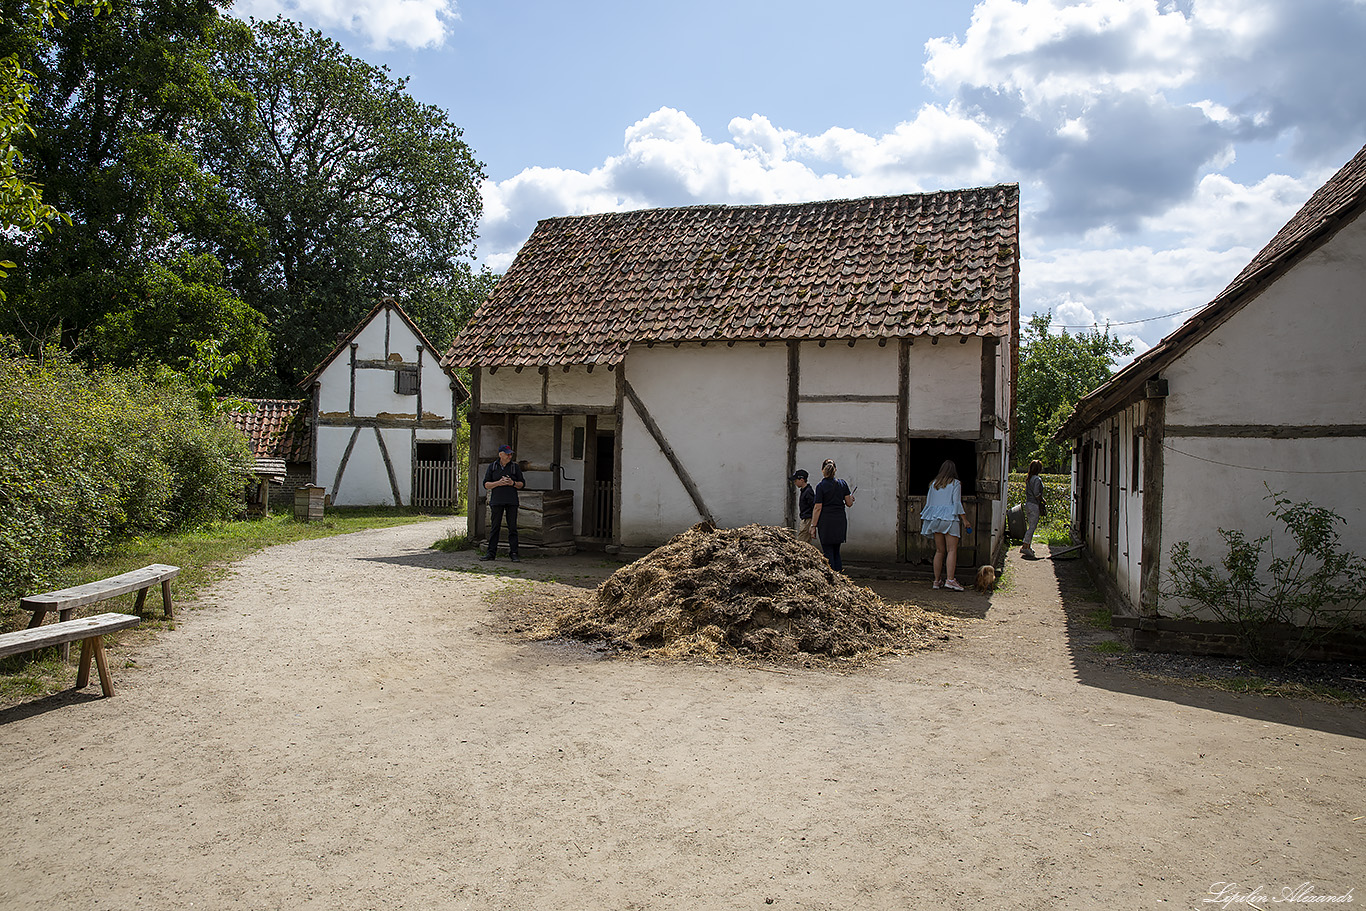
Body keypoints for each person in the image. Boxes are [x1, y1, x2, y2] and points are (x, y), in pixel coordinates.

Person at [921, 459, 970, 591]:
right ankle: (950, 580)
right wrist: (965, 520)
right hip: (949, 519)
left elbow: (929, 503)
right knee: (952, 550)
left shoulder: (933, 484)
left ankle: (936, 581)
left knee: (939, 551)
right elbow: (957, 503)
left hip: (935, 519)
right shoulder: (955, 483)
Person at [810, 459, 854, 571]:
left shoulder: (820, 486)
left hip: (826, 521)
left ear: (822, 470)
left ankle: (832, 577)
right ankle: (840, 576)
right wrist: (851, 499)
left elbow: (817, 507)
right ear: (835, 470)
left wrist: (813, 526)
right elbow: (849, 503)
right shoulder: (842, 484)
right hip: (839, 520)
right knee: (836, 551)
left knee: (827, 551)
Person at [482, 444, 524, 562]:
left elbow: (522, 484)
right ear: (500, 454)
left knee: (512, 528)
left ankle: (514, 553)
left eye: (510, 454)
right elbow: (486, 484)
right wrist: (499, 483)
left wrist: (512, 483)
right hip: (497, 501)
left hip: (511, 501)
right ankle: (491, 553)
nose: (509, 456)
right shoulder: (493, 467)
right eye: (507, 454)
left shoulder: (514, 467)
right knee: (495, 527)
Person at [1022, 459, 1046, 560]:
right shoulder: (1037, 479)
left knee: (1030, 525)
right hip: (1033, 504)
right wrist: (1042, 499)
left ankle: (1027, 545)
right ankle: (1025, 545)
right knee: (1032, 526)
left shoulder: (1029, 478)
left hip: (1028, 503)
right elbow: (1036, 493)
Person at [791, 469, 816, 544]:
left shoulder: (808, 492)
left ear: (802, 480)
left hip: (807, 519)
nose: (795, 483)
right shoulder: (804, 490)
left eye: (795, 480)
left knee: (802, 542)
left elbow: (813, 506)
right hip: (805, 518)